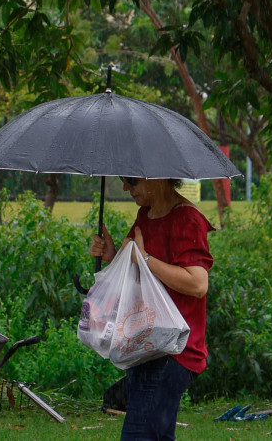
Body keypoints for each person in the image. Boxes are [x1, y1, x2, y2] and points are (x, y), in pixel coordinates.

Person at [89, 176, 215, 441]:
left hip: (173, 350)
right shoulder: (145, 215)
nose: (126, 188)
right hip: (147, 346)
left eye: (131, 180)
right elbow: (139, 275)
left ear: (157, 177)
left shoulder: (187, 219)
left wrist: (144, 258)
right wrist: (113, 256)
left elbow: (198, 283)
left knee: (139, 434)